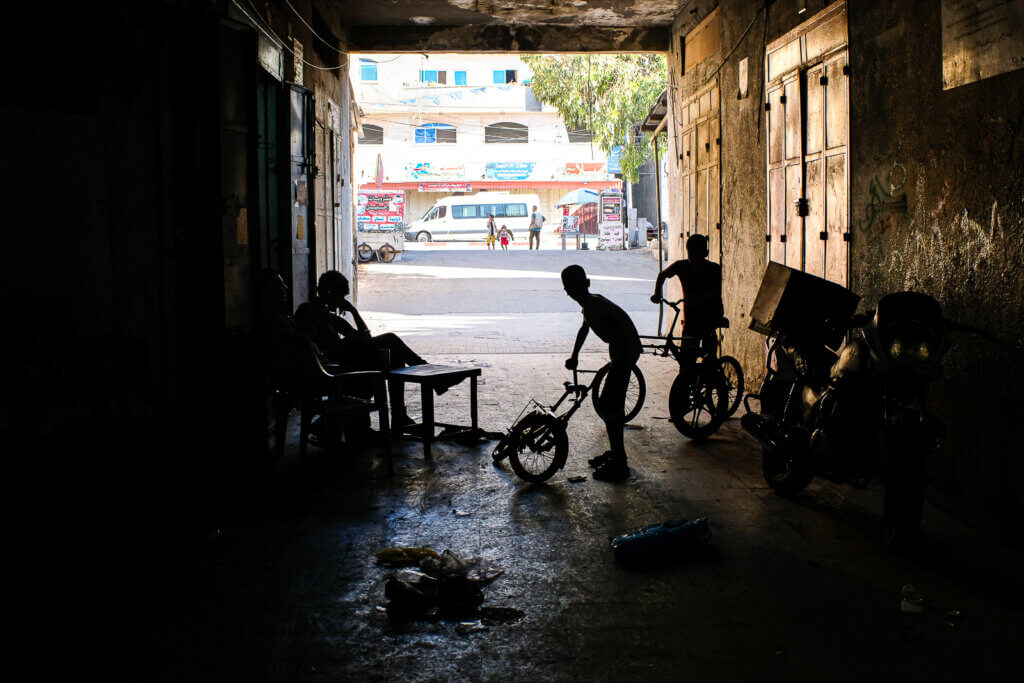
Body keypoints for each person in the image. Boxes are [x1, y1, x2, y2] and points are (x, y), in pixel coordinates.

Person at [296, 270, 427, 425]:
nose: (341, 302)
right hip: (333, 372)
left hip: (346, 365)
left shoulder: (332, 318)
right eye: (340, 298)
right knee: (390, 339)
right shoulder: (307, 312)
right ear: (329, 294)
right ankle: (423, 370)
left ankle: (399, 414)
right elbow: (315, 345)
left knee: (394, 357)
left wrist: (354, 312)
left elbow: (366, 338)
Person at [562, 265, 642, 482]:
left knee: (609, 406)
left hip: (624, 353)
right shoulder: (591, 303)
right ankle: (616, 453)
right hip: (624, 351)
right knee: (609, 406)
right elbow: (584, 329)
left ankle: (619, 463)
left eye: (571, 288)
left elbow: (614, 334)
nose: (571, 292)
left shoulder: (592, 306)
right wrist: (575, 355)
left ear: (567, 290)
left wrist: (617, 364)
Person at [651, 234, 723, 363]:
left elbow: (662, 275)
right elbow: (716, 296)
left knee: (689, 358)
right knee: (704, 355)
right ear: (707, 252)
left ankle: (707, 374)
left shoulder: (682, 266)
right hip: (707, 315)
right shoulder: (714, 268)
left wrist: (657, 294)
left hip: (701, 317)